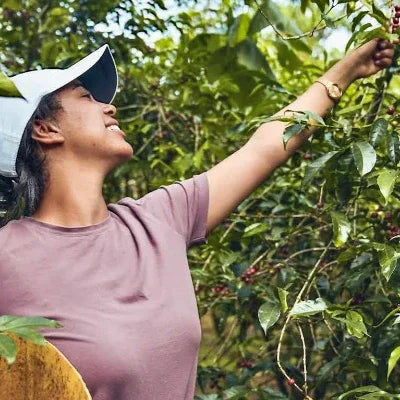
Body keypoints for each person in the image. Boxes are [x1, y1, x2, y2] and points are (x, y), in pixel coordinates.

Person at [0, 37, 397, 399]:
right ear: (45, 128)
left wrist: (346, 71)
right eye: (87, 97)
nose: (110, 106)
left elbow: (265, 147)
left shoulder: (158, 220)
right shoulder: (8, 255)